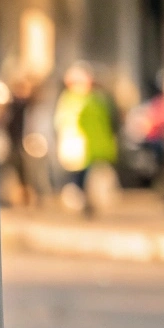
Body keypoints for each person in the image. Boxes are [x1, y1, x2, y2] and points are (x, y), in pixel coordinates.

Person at [53, 62, 118, 216]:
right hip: (78, 148)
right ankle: (83, 203)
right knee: (78, 178)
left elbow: (110, 121)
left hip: (97, 147)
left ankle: (91, 203)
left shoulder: (97, 99)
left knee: (95, 178)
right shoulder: (70, 100)